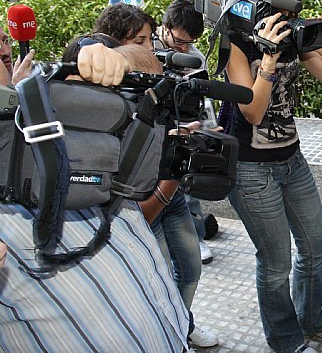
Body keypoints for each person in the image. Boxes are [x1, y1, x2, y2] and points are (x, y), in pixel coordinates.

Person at [0, 41, 190, 352]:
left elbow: (146, 63)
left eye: (3, 42)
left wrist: (116, 67)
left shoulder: (71, 119)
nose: (5, 53)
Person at [225, 0, 322, 353]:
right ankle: (285, 339)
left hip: (292, 161)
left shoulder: (296, 34)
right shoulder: (237, 39)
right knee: (276, 263)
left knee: (316, 247)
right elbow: (253, 112)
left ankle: (311, 319)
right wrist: (269, 58)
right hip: (251, 168)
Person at [94, 3, 219, 348]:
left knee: (191, 269)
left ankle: (182, 324)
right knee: (159, 281)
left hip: (172, 194)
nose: (151, 49)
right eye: (141, 40)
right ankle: (168, 335)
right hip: (142, 204)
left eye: (149, 40)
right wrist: (168, 185)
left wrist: (180, 133)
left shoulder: (156, 78)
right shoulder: (104, 101)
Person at [156, 0, 215, 265]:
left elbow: (203, 100)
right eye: (179, 41)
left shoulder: (195, 58)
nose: (184, 47)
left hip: (184, 129)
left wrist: (209, 130)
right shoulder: (145, 49)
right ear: (165, 27)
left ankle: (197, 239)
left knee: (187, 189)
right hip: (153, 133)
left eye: (189, 42)